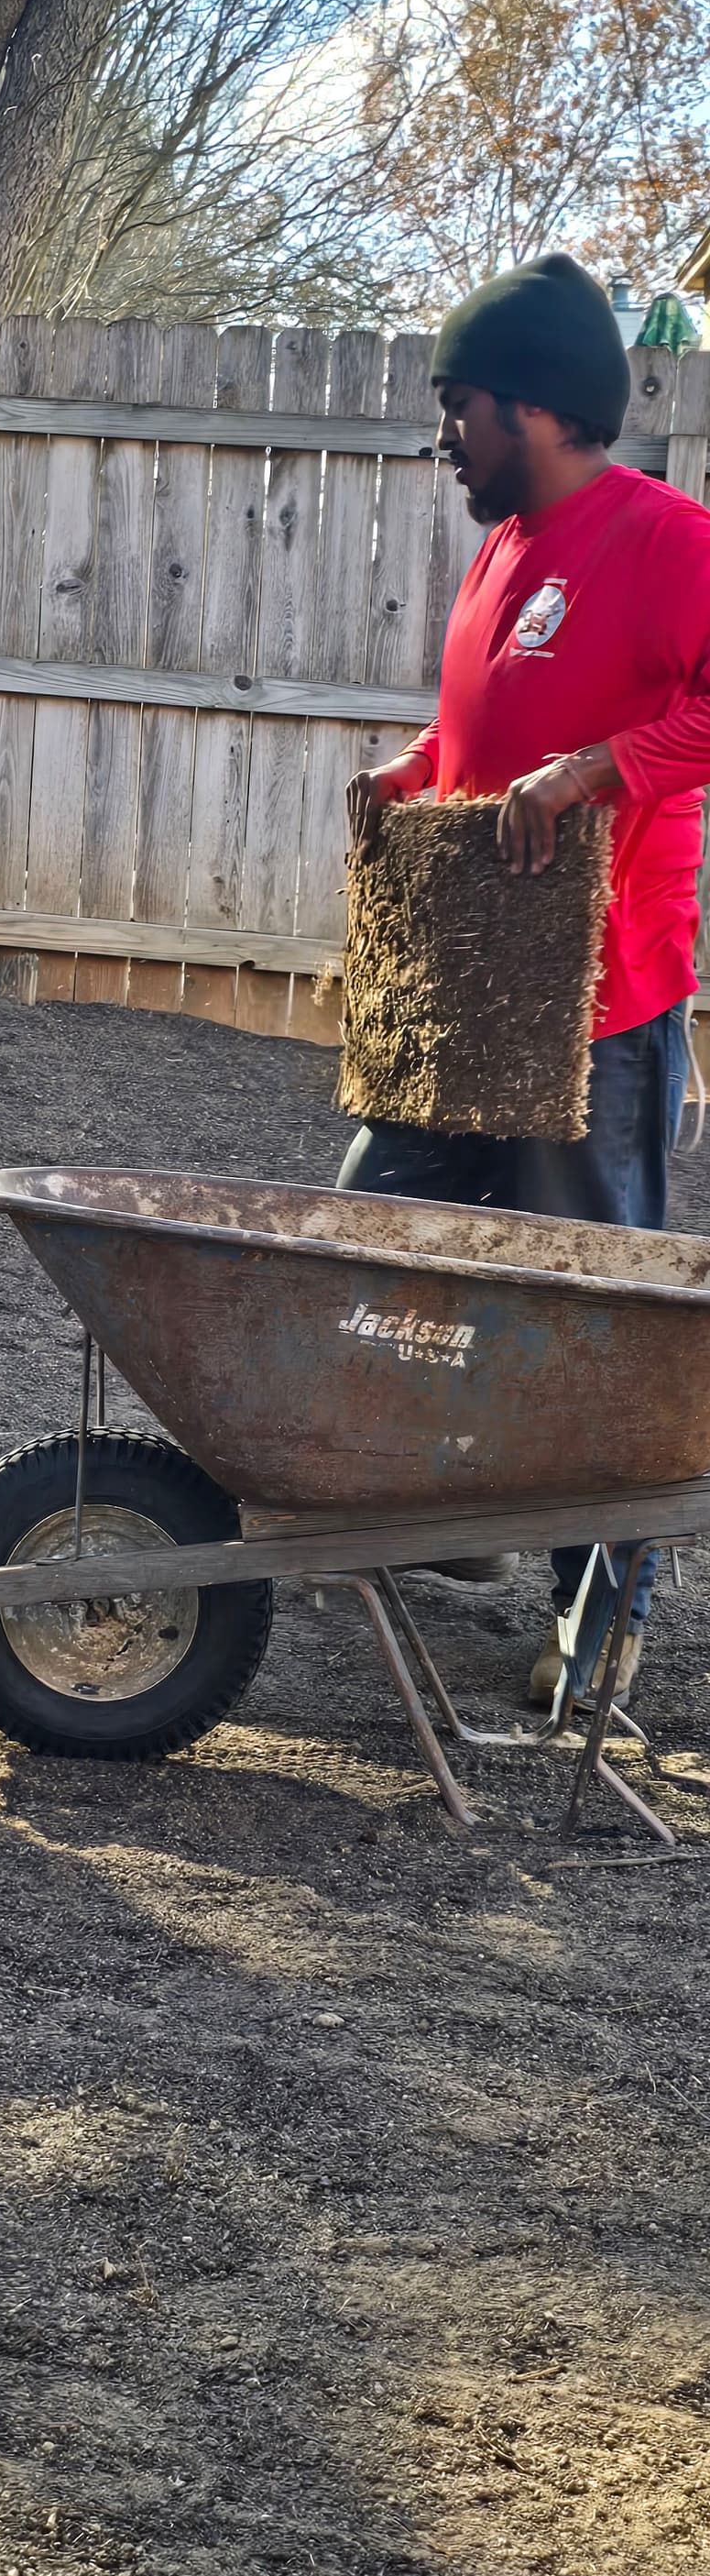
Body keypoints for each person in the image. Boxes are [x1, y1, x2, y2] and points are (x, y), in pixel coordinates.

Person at [343, 249, 710, 1702]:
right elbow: (492, 741)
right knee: (370, 1239)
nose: (445, 433)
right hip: (469, 992)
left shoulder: (667, 540)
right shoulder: (506, 548)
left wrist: (605, 773)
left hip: (598, 1004)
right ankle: (449, 1516)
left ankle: (602, 1610)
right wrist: (415, 769)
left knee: (593, 1309)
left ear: (535, 409)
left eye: (459, 403)